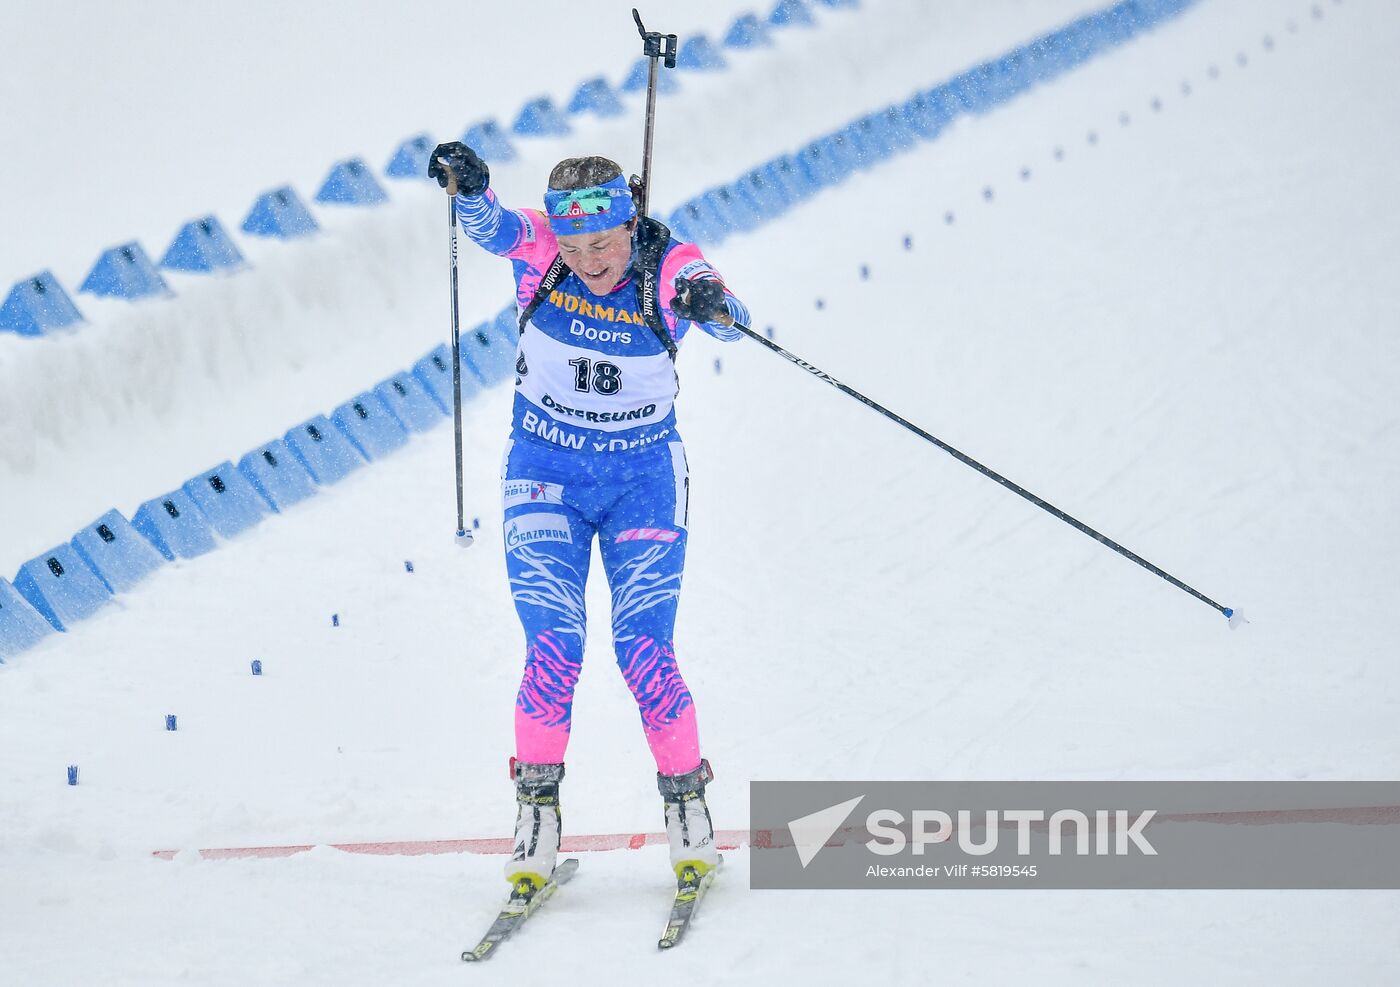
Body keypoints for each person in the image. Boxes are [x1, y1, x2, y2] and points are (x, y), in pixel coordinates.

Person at [428, 141, 750, 895]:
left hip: (642, 480)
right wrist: (471, 187)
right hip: (547, 474)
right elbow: (489, 226)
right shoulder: (542, 247)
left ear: (629, 224)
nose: (587, 260)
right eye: (573, 246)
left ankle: (688, 811)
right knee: (554, 646)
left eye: (601, 243)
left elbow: (733, 317)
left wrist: (714, 306)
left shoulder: (666, 264)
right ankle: (535, 815)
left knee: (643, 649)